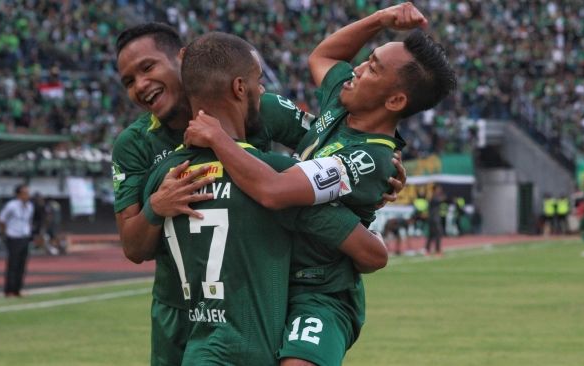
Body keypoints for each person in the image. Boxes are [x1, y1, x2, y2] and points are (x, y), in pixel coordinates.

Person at [113, 23, 402, 366]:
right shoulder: (134, 145)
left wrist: (373, 172)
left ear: (183, 58)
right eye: (129, 81)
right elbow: (133, 246)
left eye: (147, 67)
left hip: (257, 295)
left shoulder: (261, 107)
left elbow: (327, 147)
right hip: (180, 303)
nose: (141, 85)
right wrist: (156, 207)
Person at [185, 3, 456, 365]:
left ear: (394, 100)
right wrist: (380, 19)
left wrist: (219, 139)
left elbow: (274, 190)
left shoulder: (369, 159)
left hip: (321, 293)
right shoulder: (343, 102)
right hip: (274, 280)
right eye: (367, 59)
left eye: (372, 68)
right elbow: (324, 55)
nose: (357, 69)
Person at [0, 184, 34, 297]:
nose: (27, 195)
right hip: (13, 237)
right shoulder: (11, 206)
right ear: (18, 194)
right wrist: (5, 233)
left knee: (22, 265)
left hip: (24, 237)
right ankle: (9, 290)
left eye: (28, 193)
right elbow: (1, 219)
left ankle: (18, 289)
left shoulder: (30, 206)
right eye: (25, 193)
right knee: (13, 264)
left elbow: (28, 221)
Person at [425, 184, 445, 257]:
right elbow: (439, 201)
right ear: (435, 189)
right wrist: (443, 198)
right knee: (438, 234)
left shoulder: (433, 196)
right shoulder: (433, 197)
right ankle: (437, 251)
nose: (440, 190)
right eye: (438, 189)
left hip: (432, 218)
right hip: (434, 219)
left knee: (431, 235)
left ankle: (427, 250)